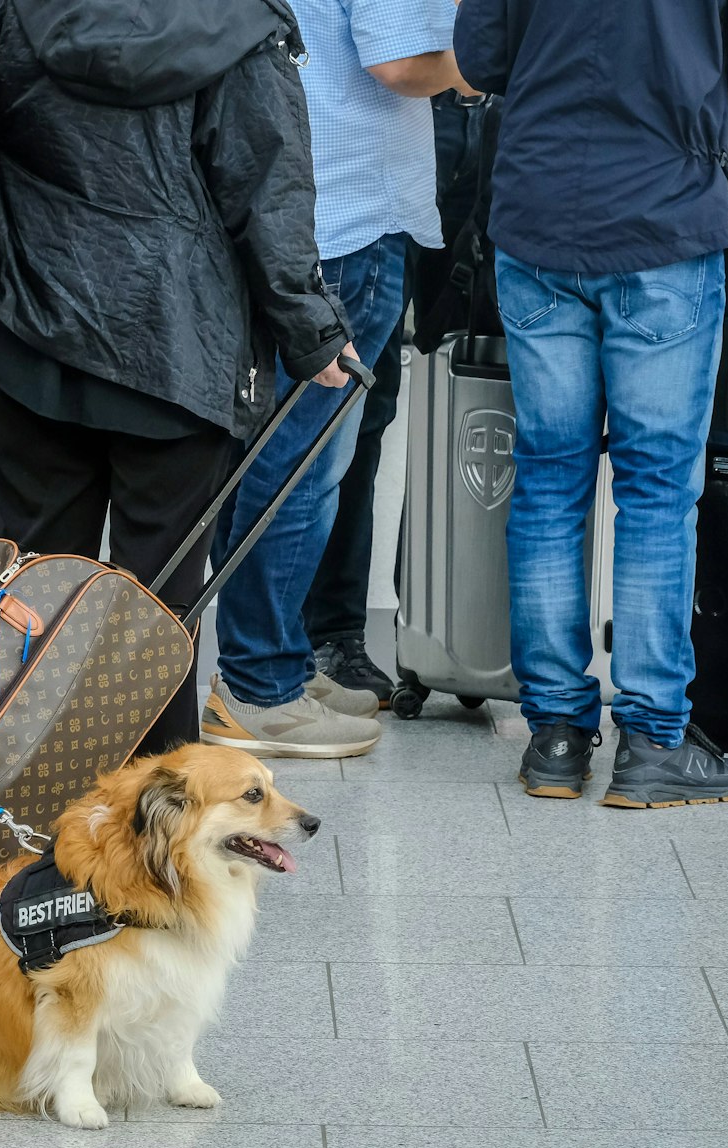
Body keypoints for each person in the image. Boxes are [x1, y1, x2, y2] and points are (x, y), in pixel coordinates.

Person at [0, 0, 356, 756]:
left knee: (37, 592)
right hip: (174, 344)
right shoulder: (240, 19)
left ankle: (29, 816)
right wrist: (312, 329)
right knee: (161, 610)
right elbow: (266, 189)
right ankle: (157, 837)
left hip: (29, 322)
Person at [454, 0, 728, 807]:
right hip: (663, 218)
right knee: (656, 490)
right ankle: (651, 740)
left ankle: (556, 737)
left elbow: (480, 56)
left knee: (547, 481)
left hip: (537, 215)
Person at [203, 0, 468, 758]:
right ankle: (262, 688)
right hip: (352, 216)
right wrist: (484, 63)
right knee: (300, 470)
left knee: (268, 456)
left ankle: (270, 661)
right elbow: (399, 64)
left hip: (287, 212)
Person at [303, 87, 485, 707]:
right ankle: (326, 634)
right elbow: (394, 56)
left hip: (480, 120)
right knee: (348, 408)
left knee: (462, 391)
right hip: (382, 119)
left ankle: (444, 640)